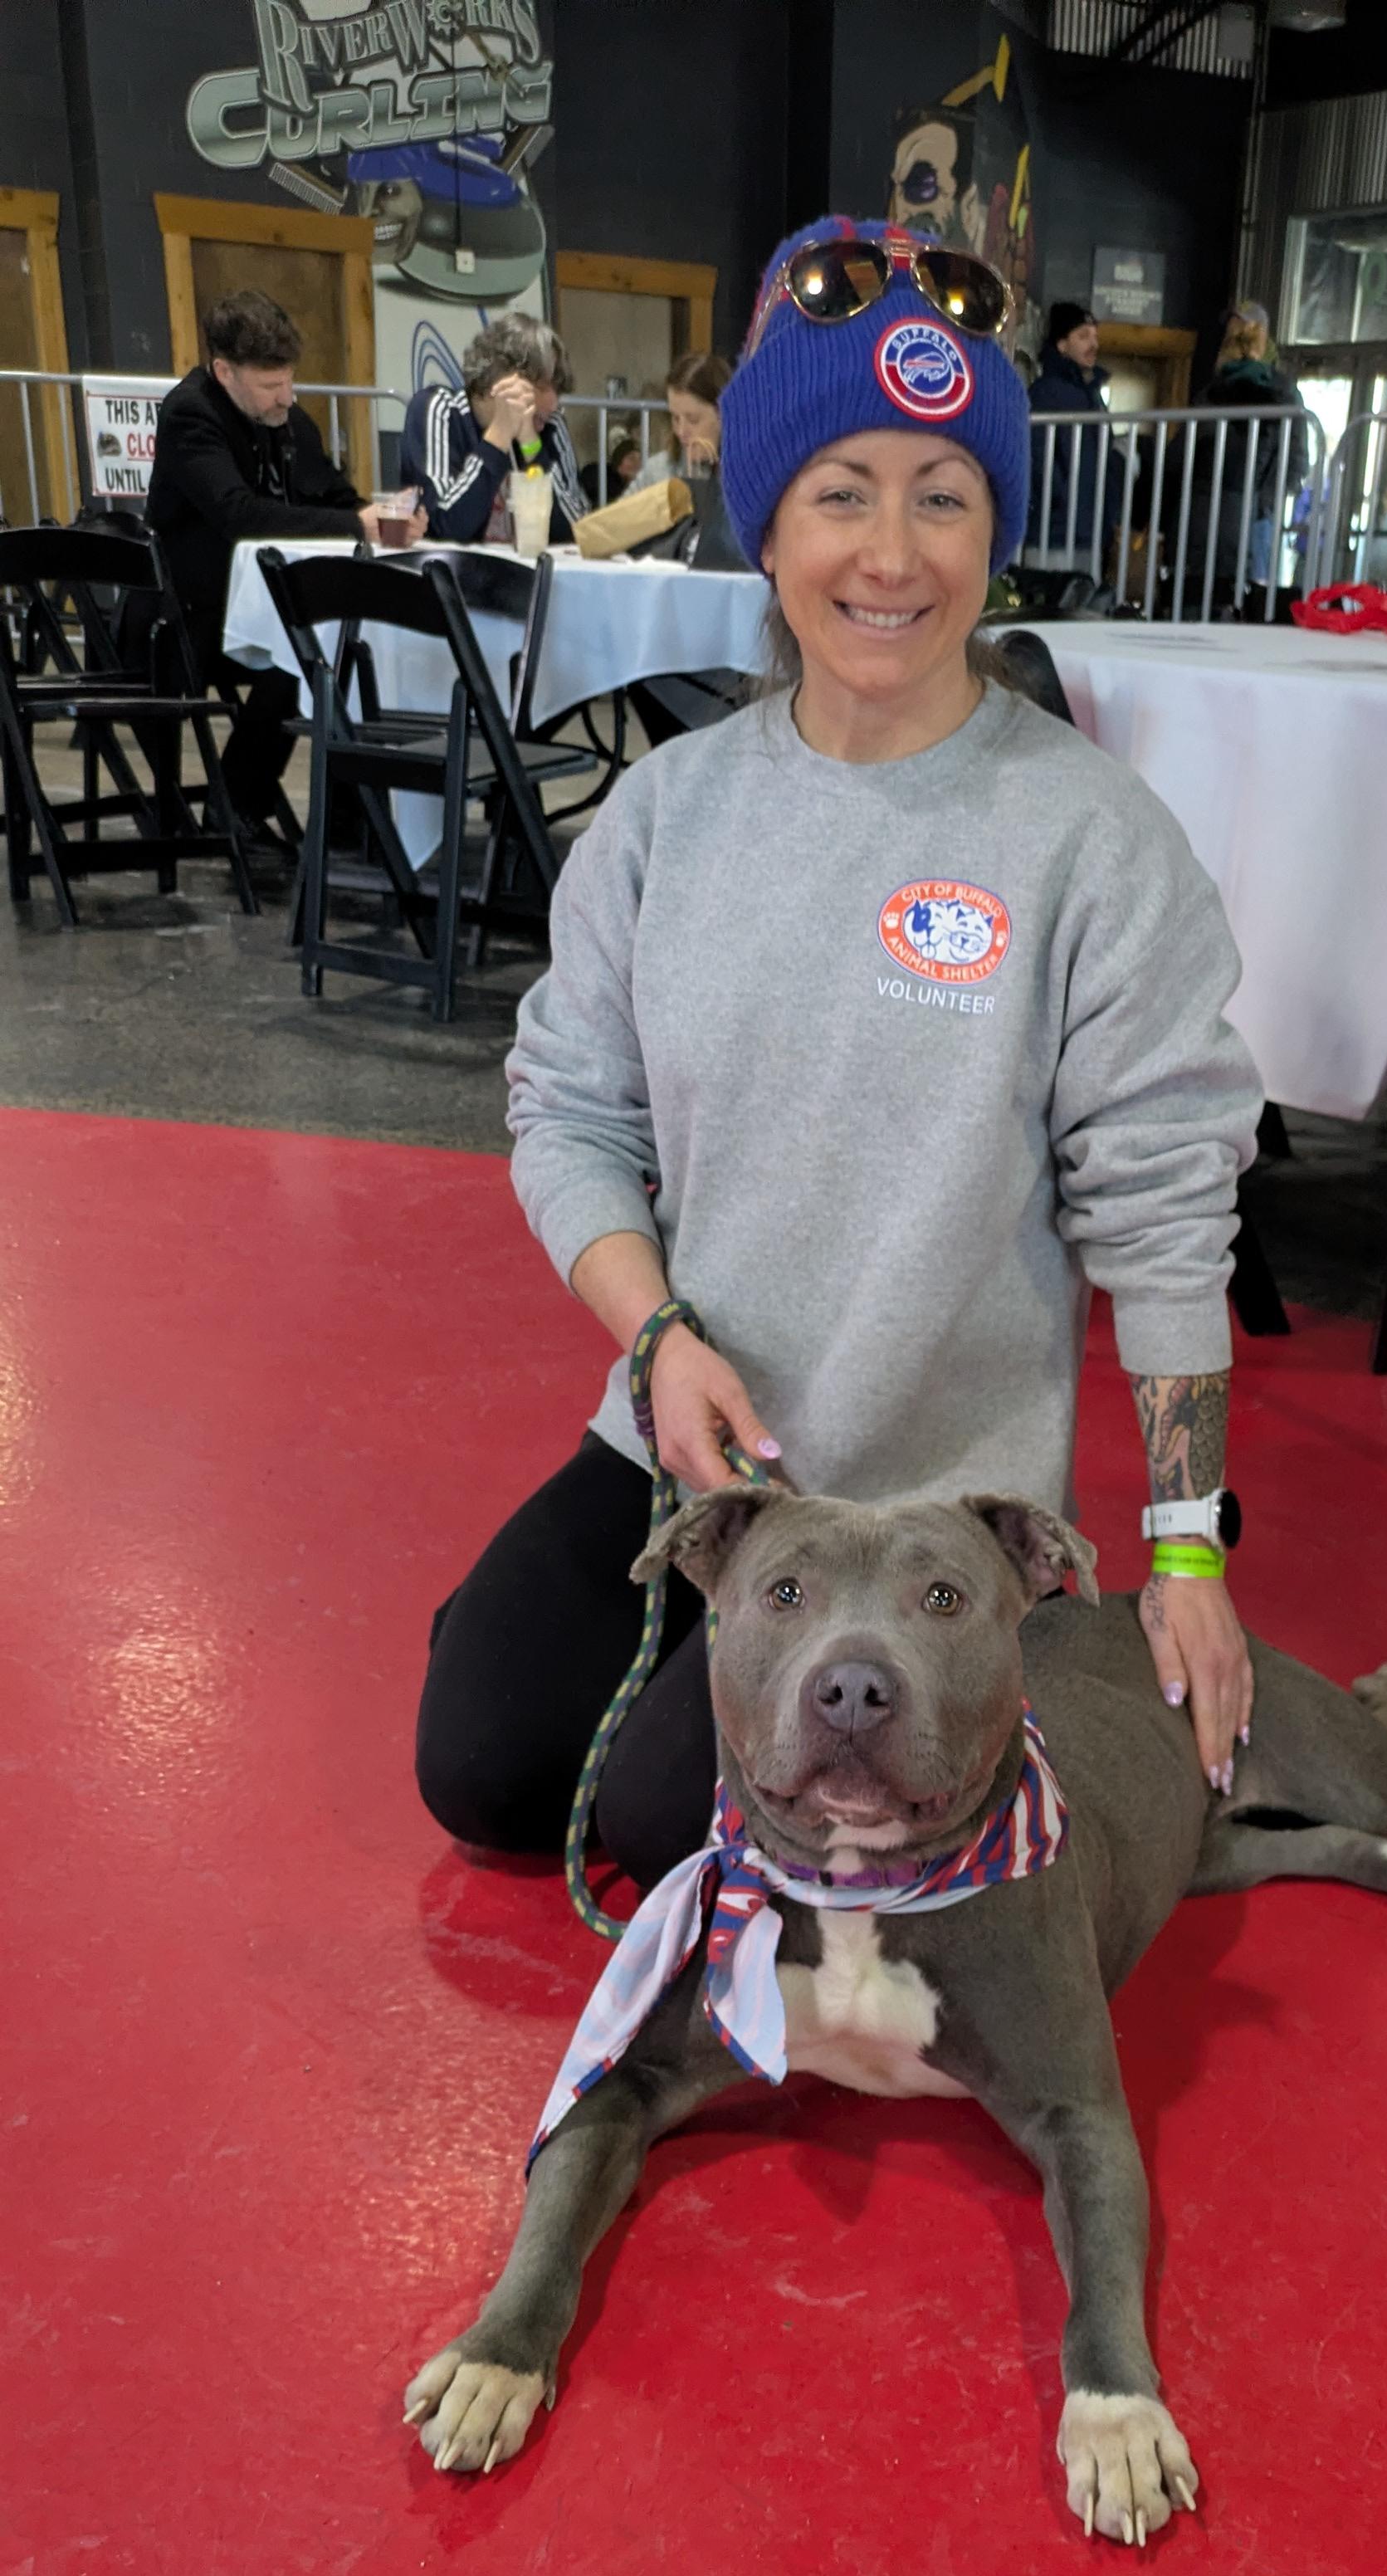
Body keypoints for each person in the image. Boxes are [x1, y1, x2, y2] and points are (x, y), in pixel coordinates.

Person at [416, 213, 1262, 1894]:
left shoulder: (1091, 836)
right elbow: (567, 1112)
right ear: (770, 526)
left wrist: (1185, 1550)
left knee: (674, 1828)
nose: (894, 553)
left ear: (995, 530)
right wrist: (654, 1334)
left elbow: (1164, 1205)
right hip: (696, 1454)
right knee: (487, 1772)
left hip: (941, 1522)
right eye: (842, 494)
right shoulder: (670, 813)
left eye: (943, 496)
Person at [145, 287, 395, 843]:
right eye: (270, 384)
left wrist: (376, 515)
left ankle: (347, 819)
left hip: (252, 607)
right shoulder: (190, 415)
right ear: (224, 372)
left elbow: (331, 494)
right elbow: (237, 514)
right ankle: (238, 799)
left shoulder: (288, 420)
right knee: (305, 653)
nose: (286, 396)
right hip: (184, 618)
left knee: (340, 652)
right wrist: (356, 526)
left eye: (288, 380)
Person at [400, 313, 584, 546]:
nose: (554, 403)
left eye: (557, 390)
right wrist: (499, 436)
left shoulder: (550, 425)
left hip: (528, 576)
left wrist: (530, 443)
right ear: (504, 378)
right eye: (543, 386)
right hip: (453, 576)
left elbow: (576, 530)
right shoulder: (440, 409)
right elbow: (445, 526)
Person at [1200, 304, 1306, 601]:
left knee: (1252, 593)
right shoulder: (1219, 385)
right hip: (1219, 505)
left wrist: (1264, 501)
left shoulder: (1282, 390)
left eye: (1240, 327)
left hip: (1256, 513)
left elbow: (1297, 457)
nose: (1232, 334)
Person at [1027, 301, 1123, 565]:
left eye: (1095, 337)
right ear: (1061, 344)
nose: (1093, 344)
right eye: (1083, 336)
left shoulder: (1092, 395)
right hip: (1055, 532)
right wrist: (1059, 501)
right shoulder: (1046, 393)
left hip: (1088, 530)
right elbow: (1038, 458)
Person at [627, 352, 732, 491]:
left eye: (693, 420)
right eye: (675, 418)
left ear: (724, 414)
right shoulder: (657, 473)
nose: (681, 431)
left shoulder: (755, 476)